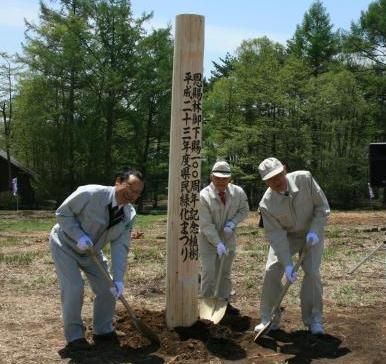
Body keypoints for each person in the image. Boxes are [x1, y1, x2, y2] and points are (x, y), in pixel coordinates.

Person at [49, 170, 144, 351]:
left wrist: (117, 279)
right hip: (65, 244)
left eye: (138, 193)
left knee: (108, 289)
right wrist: (78, 236)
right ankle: (75, 336)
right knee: (74, 288)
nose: (133, 195)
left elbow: (120, 247)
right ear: (118, 182)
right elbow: (62, 213)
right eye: (131, 188)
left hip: (92, 251)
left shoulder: (128, 215)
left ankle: (102, 330)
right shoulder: (91, 193)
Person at [255, 157, 330, 335]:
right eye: (270, 180)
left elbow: (322, 207)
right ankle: (268, 318)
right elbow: (276, 236)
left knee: (311, 273)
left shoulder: (305, 179)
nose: (276, 182)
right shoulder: (266, 204)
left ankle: (314, 320)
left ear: (285, 170)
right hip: (287, 237)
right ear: (265, 182)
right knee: (272, 270)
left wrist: (314, 231)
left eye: (278, 176)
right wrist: (287, 263)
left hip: (312, 232)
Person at [198, 160, 249, 315]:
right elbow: (206, 225)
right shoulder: (203, 196)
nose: (221, 181)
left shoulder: (238, 192)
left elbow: (244, 210)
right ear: (211, 177)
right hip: (207, 238)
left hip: (228, 236)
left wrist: (232, 223)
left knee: (225, 271)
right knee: (209, 271)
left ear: (230, 178)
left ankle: (223, 302)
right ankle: (206, 302)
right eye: (217, 178)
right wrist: (218, 243)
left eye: (224, 178)